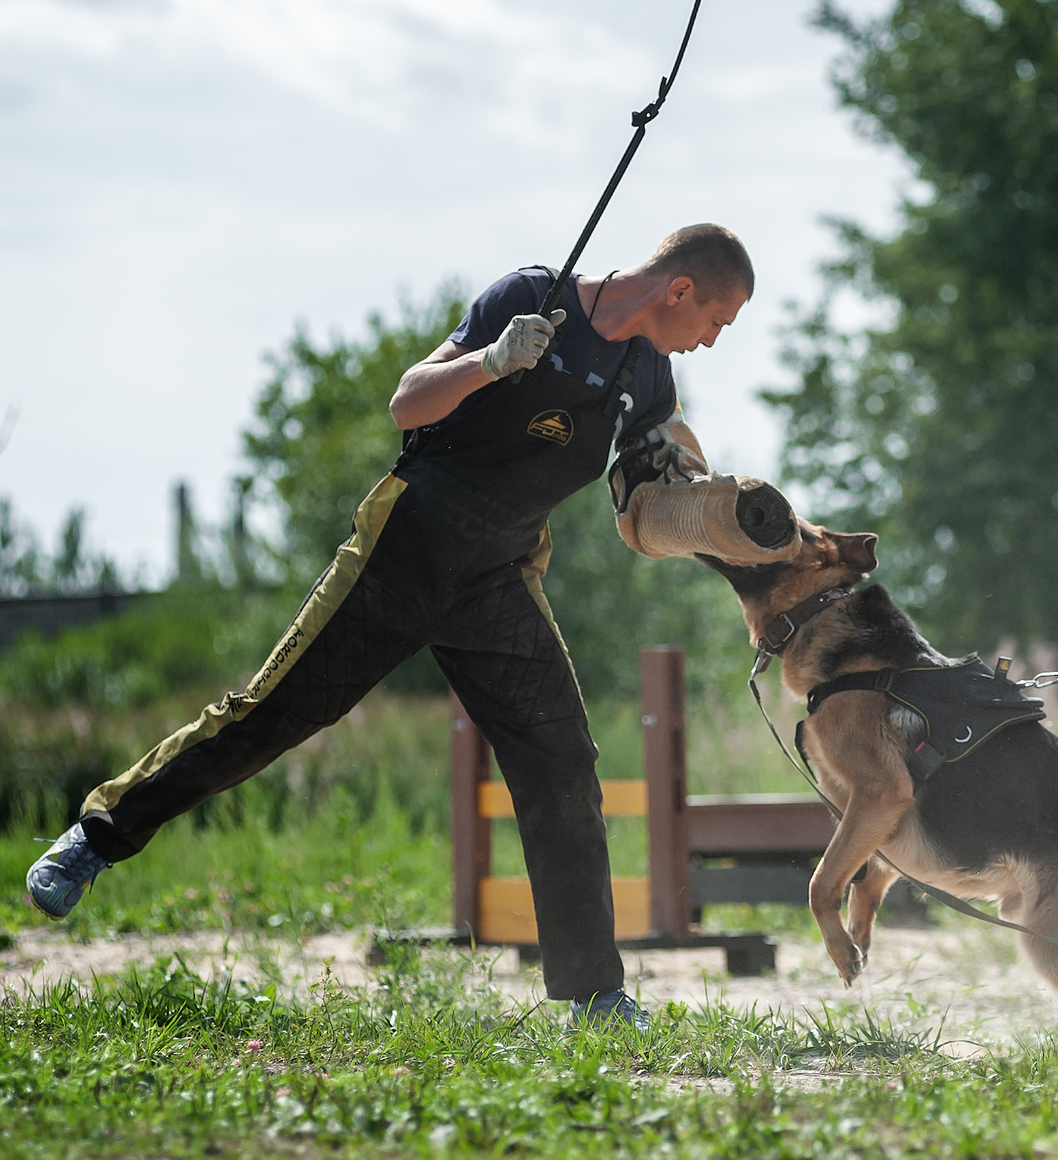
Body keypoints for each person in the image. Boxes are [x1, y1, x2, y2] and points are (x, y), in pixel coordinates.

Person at [26, 223, 764, 1030]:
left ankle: (592, 995)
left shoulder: (645, 374)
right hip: (405, 546)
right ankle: (96, 838)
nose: (712, 341)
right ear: (679, 290)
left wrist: (710, 509)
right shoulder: (531, 298)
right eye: (717, 321)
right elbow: (407, 403)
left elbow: (647, 491)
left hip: (499, 577)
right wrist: (490, 363)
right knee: (272, 712)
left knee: (562, 759)